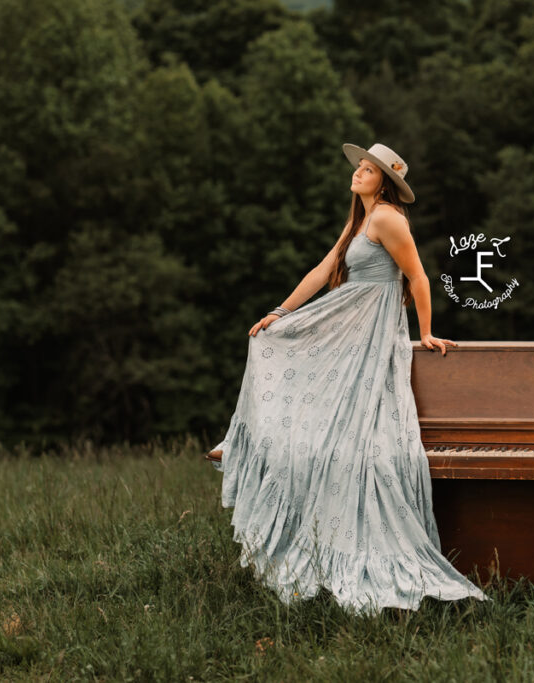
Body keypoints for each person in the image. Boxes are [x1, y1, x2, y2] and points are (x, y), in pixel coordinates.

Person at [208, 143, 487, 614]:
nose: (358, 174)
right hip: (348, 315)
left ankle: (242, 447)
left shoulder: (387, 219)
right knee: (272, 340)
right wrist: (280, 310)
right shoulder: (359, 219)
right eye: (358, 167)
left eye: (368, 170)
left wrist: (424, 332)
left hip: (371, 323)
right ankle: (241, 441)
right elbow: (323, 270)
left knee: (345, 416)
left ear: (385, 182)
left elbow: (418, 277)